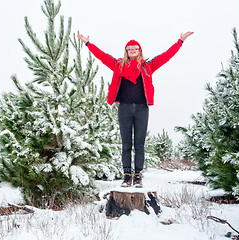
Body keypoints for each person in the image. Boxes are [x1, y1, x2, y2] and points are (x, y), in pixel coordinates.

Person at [77, 32, 194, 188]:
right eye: (129, 47)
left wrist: (180, 41)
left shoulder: (147, 66)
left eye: (135, 47)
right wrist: (88, 43)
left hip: (141, 109)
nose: (132, 49)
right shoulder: (118, 64)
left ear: (139, 51)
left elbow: (166, 56)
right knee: (126, 144)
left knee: (139, 144)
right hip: (124, 109)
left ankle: (138, 176)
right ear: (126, 51)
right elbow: (102, 56)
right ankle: (127, 176)